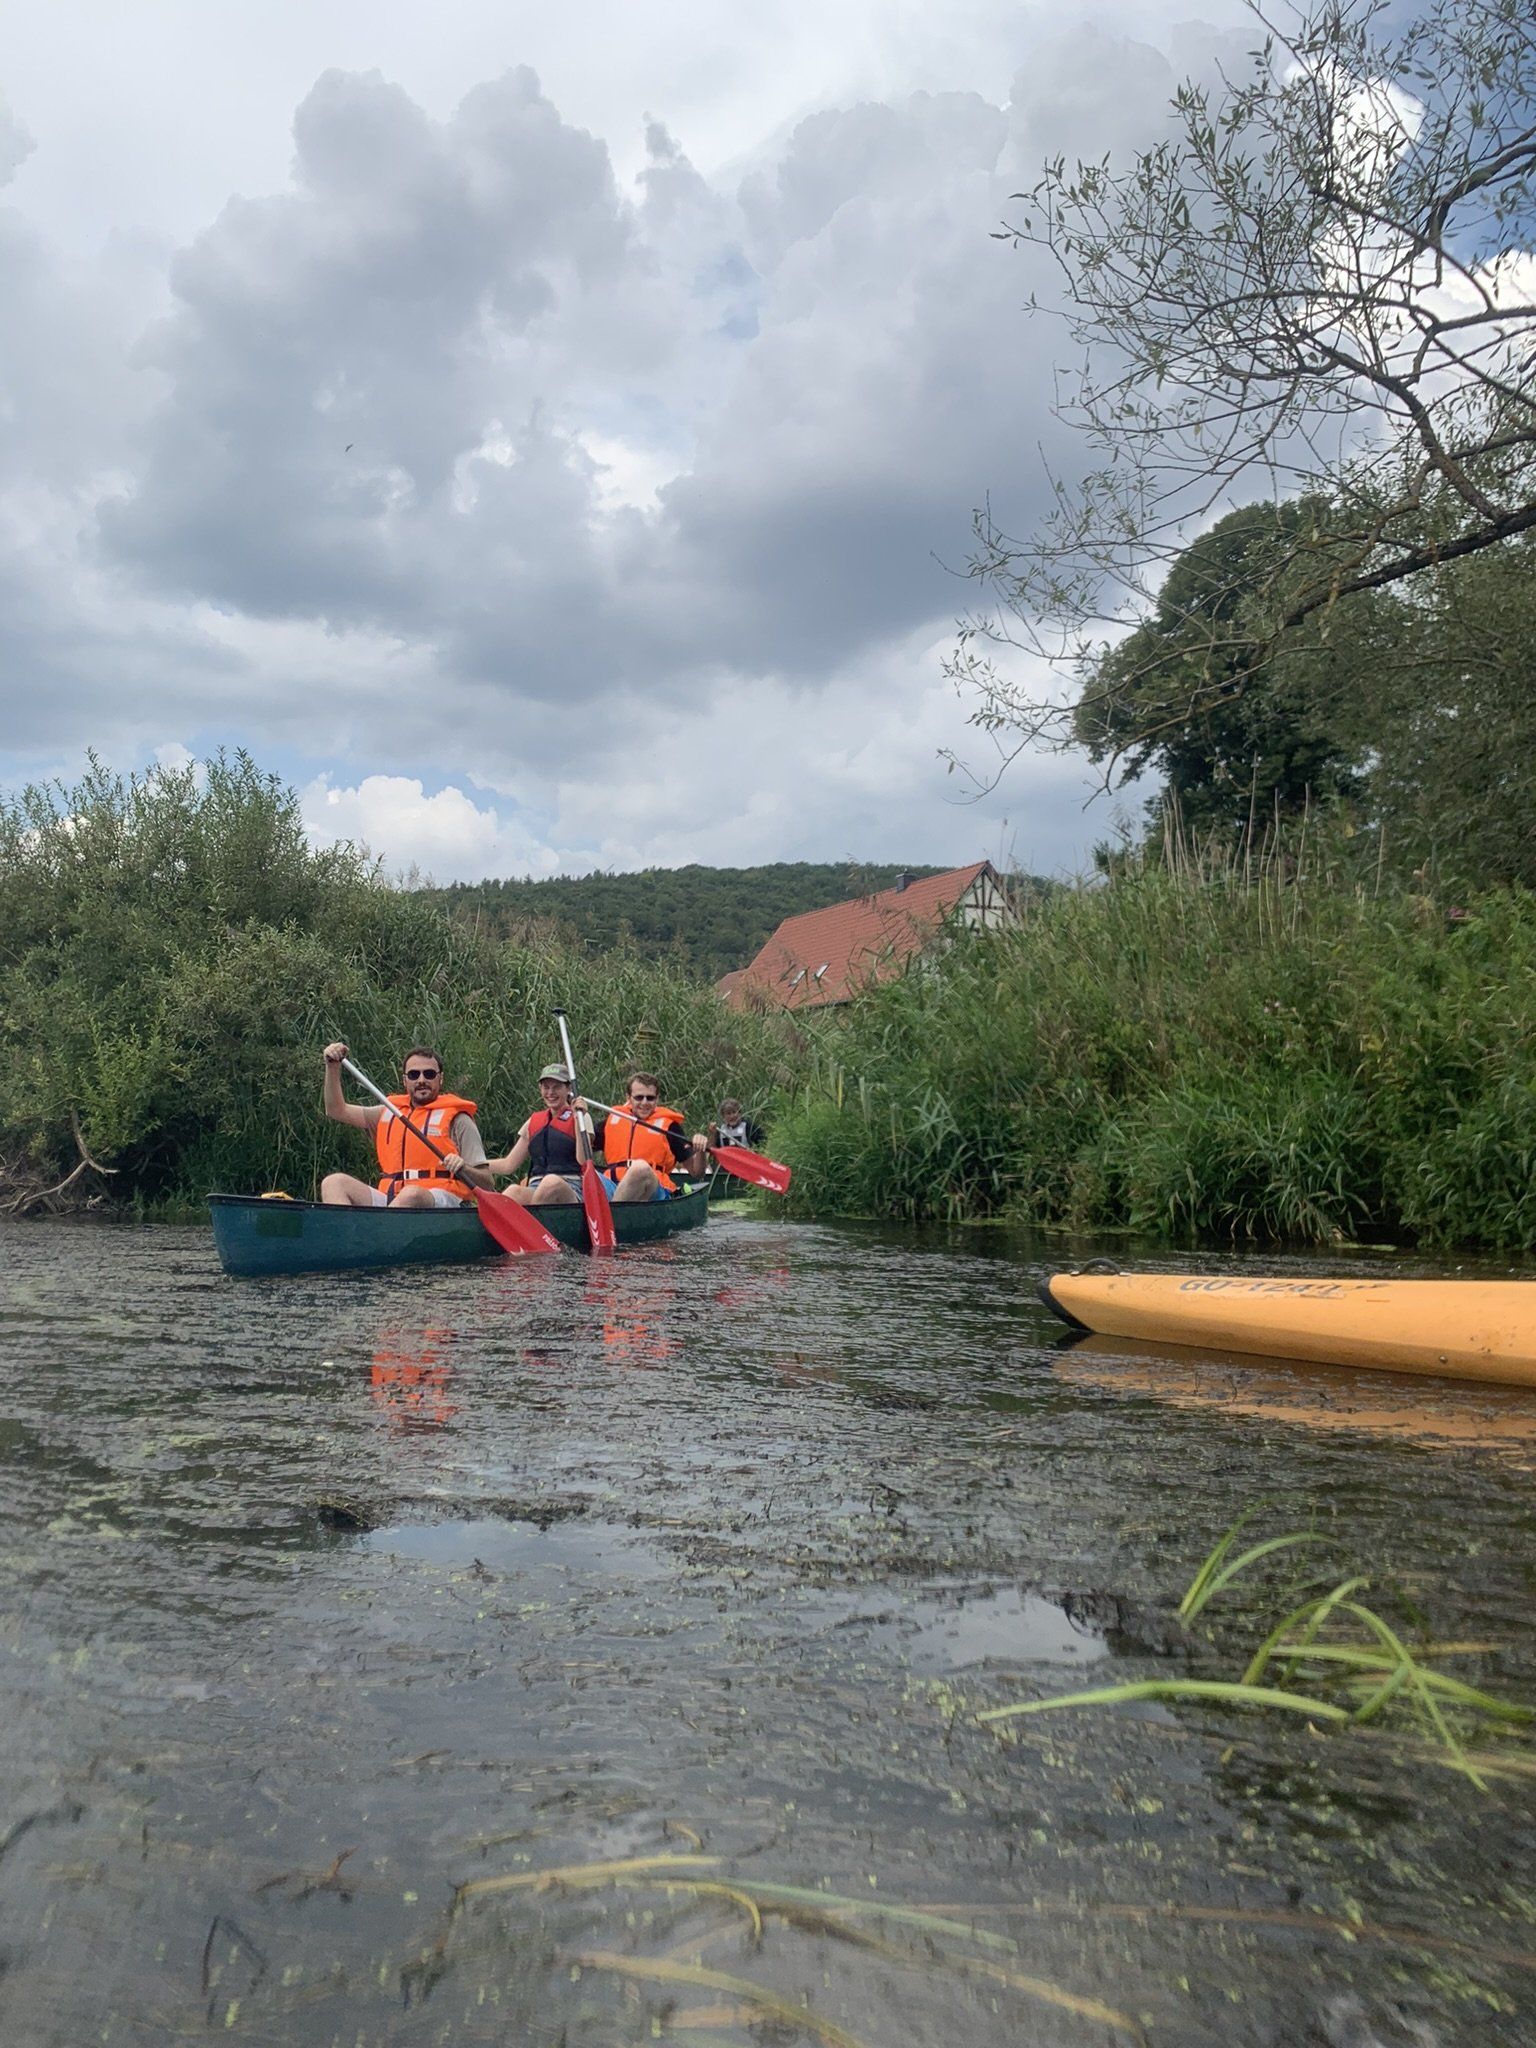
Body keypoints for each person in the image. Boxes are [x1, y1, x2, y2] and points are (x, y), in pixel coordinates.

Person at [320, 1042, 488, 1208]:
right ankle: (354, 1228)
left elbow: (487, 1182)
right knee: (334, 1183)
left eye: (429, 1074)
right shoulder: (389, 1112)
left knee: (411, 1194)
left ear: (440, 1078)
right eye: (414, 1075)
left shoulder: (459, 1120)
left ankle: (381, 1226)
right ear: (405, 1080)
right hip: (393, 1199)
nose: (421, 1080)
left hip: (440, 1200)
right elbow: (336, 1110)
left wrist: (463, 1168)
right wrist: (332, 1067)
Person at [449, 1064, 595, 1208]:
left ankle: (534, 1220)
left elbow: (583, 1160)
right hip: (536, 1187)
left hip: (570, 1188)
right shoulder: (534, 1121)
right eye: (546, 1087)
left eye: (556, 1087)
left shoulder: (581, 1118)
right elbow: (508, 1165)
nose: (550, 1092)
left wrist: (578, 1120)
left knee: (551, 1183)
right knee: (513, 1191)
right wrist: (470, 1165)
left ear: (568, 1089)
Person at [587, 1071, 692, 1203]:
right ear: (628, 1098)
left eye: (650, 1098)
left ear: (657, 1099)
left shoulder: (669, 1127)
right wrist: (581, 1116)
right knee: (585, 1174)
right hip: (613, 1184)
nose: (644, 1102)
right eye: (639, 1097)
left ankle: (614, 1213)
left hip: (652, 1190)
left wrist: (700, 1148)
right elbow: (584, 1147)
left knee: (640, 1169)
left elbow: (696, 1171)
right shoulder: (612, 1121)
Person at [689, 1097, 766, 1181]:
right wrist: (712, 1133)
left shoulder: (749, 1127)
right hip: (726, 1169)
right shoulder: (720, 1130)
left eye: (734, 1112)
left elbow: (763, 1143)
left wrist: (756, 1153)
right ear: (723, 1116)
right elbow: (712, 1149)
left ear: (740, 1113)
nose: (732, 1116)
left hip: (746, 1167)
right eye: (728, 1113)